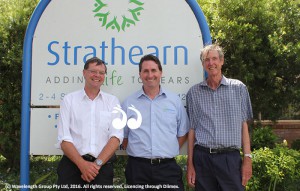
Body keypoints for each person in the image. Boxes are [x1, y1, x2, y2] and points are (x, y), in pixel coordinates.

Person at [186, 44, 253, 191]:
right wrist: (190, 163)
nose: (211, 63)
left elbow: (244, 125)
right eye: (207, 60)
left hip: (230, 159)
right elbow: (192, 130)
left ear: (221, 61)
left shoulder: (239, 88)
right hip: (203, 159)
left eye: (214, 58)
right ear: (203, 64)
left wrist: (248, 158)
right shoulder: (194, 93)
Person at [121, 54, 189, 190]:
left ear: (160, 72)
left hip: (167, 169)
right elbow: (123, 136)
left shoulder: (174, 101)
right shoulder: (129, 103)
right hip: (138, 170)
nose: (150, 75)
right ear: (140, 74)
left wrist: (169, 148)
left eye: (153, 70)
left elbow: (183, 132)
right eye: (145, 71)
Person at [55, 57, 123, 190]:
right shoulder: (69, 100)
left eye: (101, 73)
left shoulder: (112, 102)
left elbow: (116, 137)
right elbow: (64, 139)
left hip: (101, 168)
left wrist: (96, 165)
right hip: (72, 166)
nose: (97, 75)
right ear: (84, 73)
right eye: (93, 71)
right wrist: (82, 165)